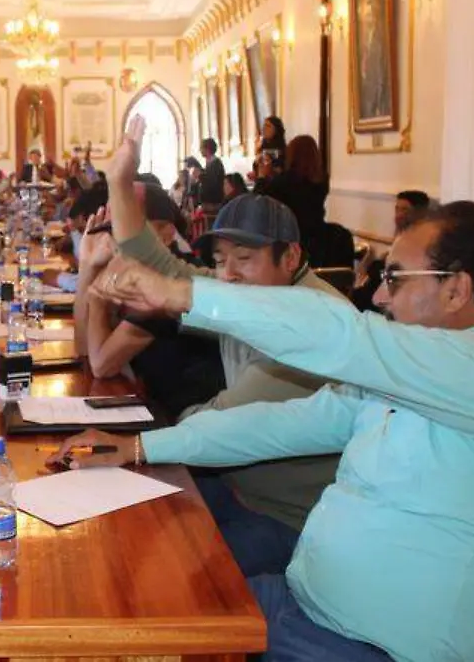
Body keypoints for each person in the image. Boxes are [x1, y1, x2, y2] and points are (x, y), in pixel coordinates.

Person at [58, 202, 474, 661]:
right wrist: (138, 446)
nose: (380, 296)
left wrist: (179, 292)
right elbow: (277, 424)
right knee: (132, 609)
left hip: (371, 649)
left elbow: (344, 335)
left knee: (136, 624)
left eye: (395, 279)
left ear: (456, 289)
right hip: (301, 607)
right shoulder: (413, 379)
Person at [106, 118, 352, 577]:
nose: (229, 275)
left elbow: (219, 422)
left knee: (174, 576)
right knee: (126, 532)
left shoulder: (311, 325)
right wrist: (118, 180)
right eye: (221, 261)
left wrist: (146, 435)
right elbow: (155, 261)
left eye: (245, 259)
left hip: (295, 521)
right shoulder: (249, 295)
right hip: (239, 489)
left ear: (291, 257)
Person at [75, 199, 224, 419]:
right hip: (158, 407)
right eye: (114, 231)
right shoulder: (133, 273)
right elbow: (83, 349)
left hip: (189, 419)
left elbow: (101, 365)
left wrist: (97, 297)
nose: (119, 241)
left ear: (167, 235)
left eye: (131, 233)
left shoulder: (169, 284)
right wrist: (87, 266)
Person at [257, 135, 353, 268]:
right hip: (319, 237)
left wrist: (262, 177)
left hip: (292, 238)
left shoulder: (284, 181)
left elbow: (259, 202)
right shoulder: (322, 180)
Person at [352, 190, 431, 311]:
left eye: (405, 210)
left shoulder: (425, 238)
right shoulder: (401, 233)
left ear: (420, 213)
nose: (398, 215)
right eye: (397, 209)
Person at [198, 138, 226, 213]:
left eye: (201, 148)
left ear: (207, 149)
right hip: (207, 202)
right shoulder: (209, 163)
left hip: (213, 203)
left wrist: (200, 175)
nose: (200, 150)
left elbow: (213, 183)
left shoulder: (216, 163)